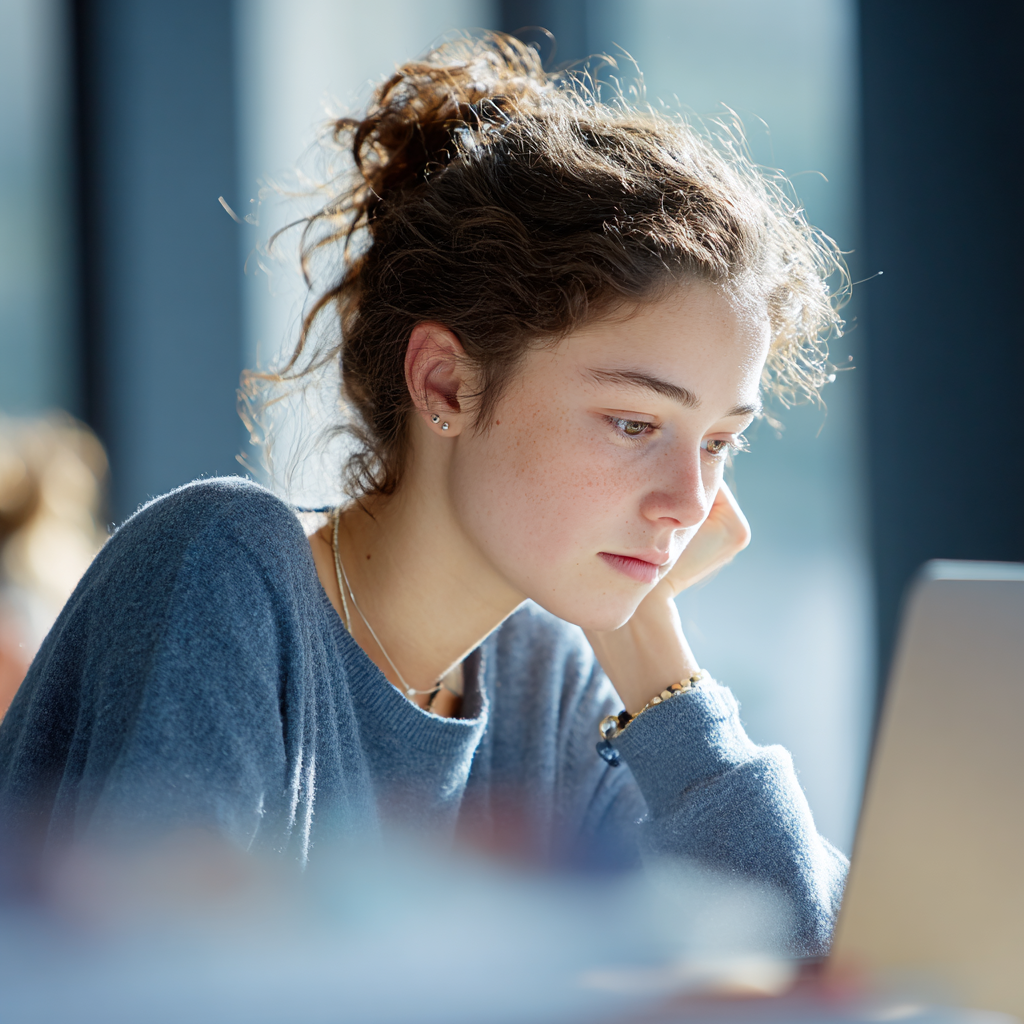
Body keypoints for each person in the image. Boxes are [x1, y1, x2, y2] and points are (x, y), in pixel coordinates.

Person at [0, 34, 847, 955]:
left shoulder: (546, 678)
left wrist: (652, 657)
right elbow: (152, 984)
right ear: (445, 384)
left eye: (721, 442)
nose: (689, 500)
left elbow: (806, 967)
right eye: (635, 424)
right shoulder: (226, 571)